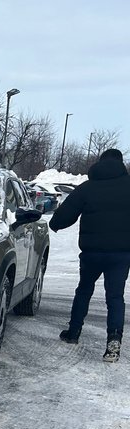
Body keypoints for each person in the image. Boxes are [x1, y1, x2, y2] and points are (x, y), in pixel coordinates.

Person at [49, 147, 130, 362]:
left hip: (92, 253)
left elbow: (65, 215)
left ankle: (73, 332)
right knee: (115, 297)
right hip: (121, 254)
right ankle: (114, 341)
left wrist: (55, 223)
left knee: (84, 290)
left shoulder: (88, 188)